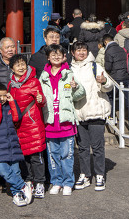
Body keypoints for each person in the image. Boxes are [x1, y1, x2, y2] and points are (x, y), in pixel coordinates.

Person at [38, 44, 86, 196]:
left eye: (59, 54)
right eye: (53, 54)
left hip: (66, 123)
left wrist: (76, 87)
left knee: (67, 155)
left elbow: (79, 95)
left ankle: (68, 182)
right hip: (50, 122)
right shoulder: (43, 76)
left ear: (64, 56)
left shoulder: (68, 73)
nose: (56, 56)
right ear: (48, 57)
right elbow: (39, 97)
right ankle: (56, 181)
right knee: (53, 156)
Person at [71, 41, 113, 192]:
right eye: (78, 50)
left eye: (83, 50)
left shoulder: (95, 66)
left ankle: (100, 175)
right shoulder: (69, 69)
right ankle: (85, 174)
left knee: (97, 147)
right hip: (78, 113)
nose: (81, 52)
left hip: (95, 111)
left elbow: (109, 85)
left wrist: (104, 81)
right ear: (72, 53)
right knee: (82, 148)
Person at [7, 54, 47, 199]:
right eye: (17, 65)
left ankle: (40, 183)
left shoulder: (34, 81)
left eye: (23, 64)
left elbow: (42, 102)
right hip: (19, 125)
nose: (21, 67)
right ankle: (29, 180)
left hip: (33, 124)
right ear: (12, 68)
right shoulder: (11, 84)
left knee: (36, 156)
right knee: (25, 157)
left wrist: (41, 99)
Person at [0, 83, 33, 207]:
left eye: (4, 96)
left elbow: (16, 117)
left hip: (13, 145)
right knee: (3, 170)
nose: (2, 98)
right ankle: (23, 186)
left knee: (16, 171)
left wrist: (12, 101)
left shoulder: (9, 106)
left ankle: (17, 194)